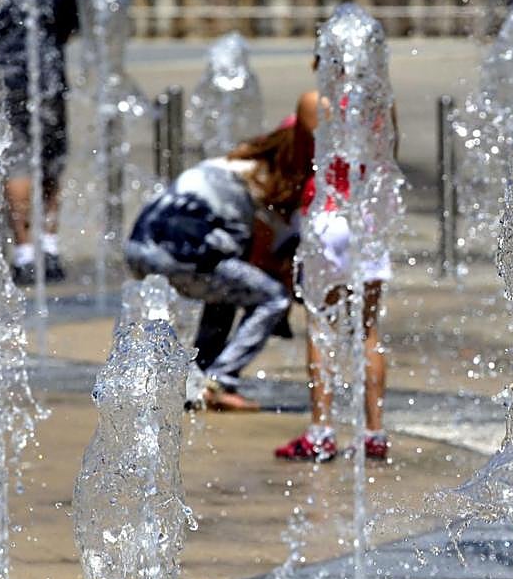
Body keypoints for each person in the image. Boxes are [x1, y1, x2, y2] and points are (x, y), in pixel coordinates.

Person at [124, 125, 311, 411]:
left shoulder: (224, 166)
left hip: (138, 249)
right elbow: (268, 257)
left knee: (228, 292)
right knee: (273, 297)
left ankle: (195, 382)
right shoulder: (262, 182)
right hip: (179, 256)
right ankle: (220, 381)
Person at [275, 63, 400, 463]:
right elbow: (388, 157)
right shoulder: (384, 106)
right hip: (367, 221)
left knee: (321, 328)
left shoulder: (314, 102)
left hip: (328, 217)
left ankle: (322, 432)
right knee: (367, 331)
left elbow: (298, 159)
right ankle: (374, 432)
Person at [0, 0, 80, 285]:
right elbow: (69, 26)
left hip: (8, 82)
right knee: (51, 160)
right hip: (49, 80)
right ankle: (50, 247)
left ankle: (25, 252)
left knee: (18, 163)